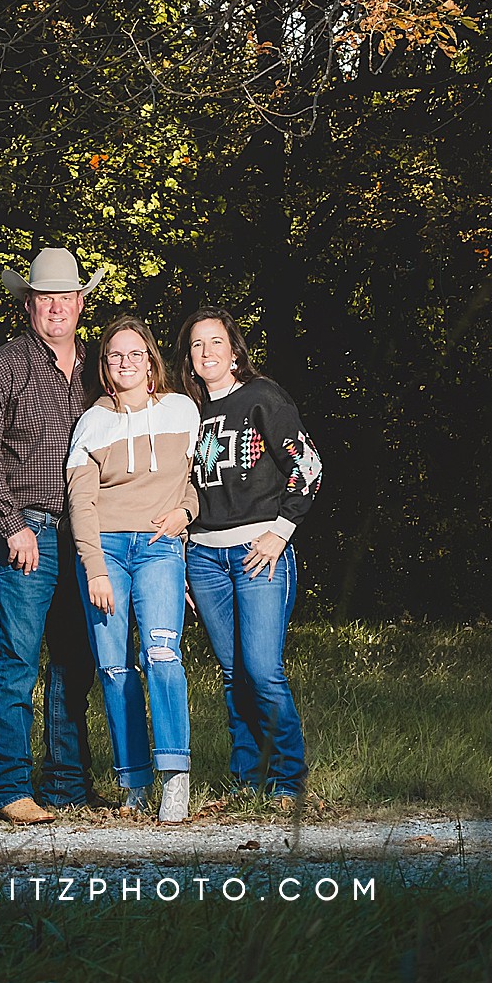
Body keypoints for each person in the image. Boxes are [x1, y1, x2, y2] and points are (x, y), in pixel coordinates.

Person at [0, 247, 105, 824]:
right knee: (17, 662)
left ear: (80, 303)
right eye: (45, 298)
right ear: (28, 304)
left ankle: (69, 782)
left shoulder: (99, 368)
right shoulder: (3, 365)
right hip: (30, 532)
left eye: (66, 298)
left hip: (87, 536)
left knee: (76, 661)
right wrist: (13, 525)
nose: (56, 308)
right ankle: (10, 787)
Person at [178, 306, 322, 806]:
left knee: (262, 670)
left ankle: (289, 780)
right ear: (189, 358)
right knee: (233, 674)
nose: (206, 352)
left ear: (235, 349)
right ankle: (248, 780)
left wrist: (280, 532)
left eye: (216, 341)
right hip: (205, 558)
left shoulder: (261, 398)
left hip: (259, 552)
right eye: (197, 345)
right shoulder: (189, 413)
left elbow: (309, 464)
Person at [66, 315, 200, 824]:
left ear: (151, 362)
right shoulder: (92, 423)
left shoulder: (182, 411)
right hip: (106, 553)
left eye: (136, 353)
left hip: (161, 547)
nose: (127, 362)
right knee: (115, 666)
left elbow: (196, 480)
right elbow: (81, 503)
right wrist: (94, 569)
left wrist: (184, 514)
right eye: (116, 355)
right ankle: (134, 780)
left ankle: (175, 776)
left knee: (162, 654)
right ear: (105, 367)